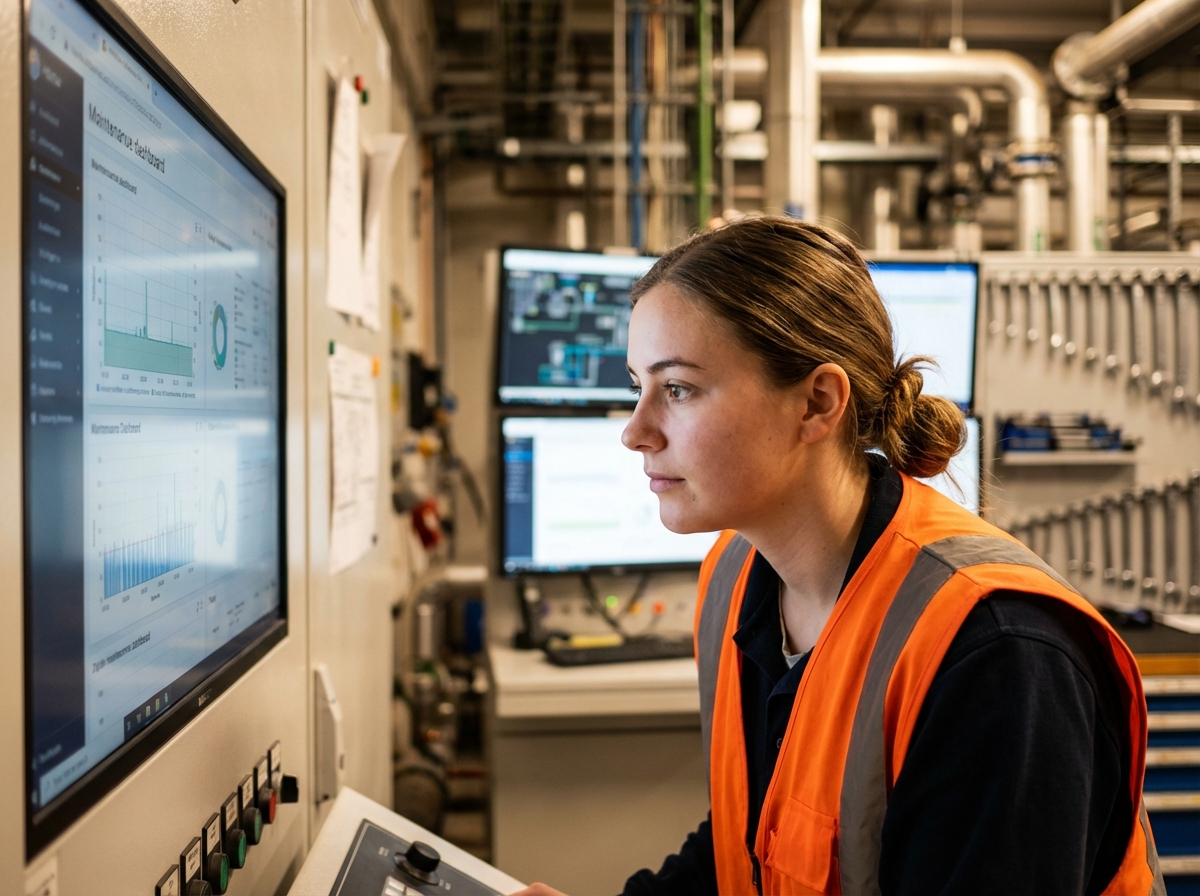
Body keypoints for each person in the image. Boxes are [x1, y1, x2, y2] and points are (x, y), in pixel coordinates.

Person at [510, 217, 1162, 896]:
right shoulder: (735, 577)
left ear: (817, 403)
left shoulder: (998, 652)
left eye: (677, 390)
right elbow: (751, 844)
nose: (635, 431)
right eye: (635, 386)